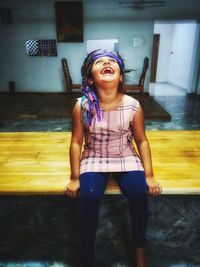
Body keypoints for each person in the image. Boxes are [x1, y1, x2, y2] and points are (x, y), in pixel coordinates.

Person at [65, 49, 162, 267]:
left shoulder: (133, 105)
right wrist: (74, 177)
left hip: (125, 154)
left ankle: (139, 248)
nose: (107, 63)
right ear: (90, 78)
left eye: (112, 62)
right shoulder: (82, 106)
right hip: (94, 155)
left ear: (120, 77)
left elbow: (141, 140)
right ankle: (87, 255)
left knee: (139, 193)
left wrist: (150, 175)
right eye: (100, 62)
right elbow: (75, 142)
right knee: (89, 197)